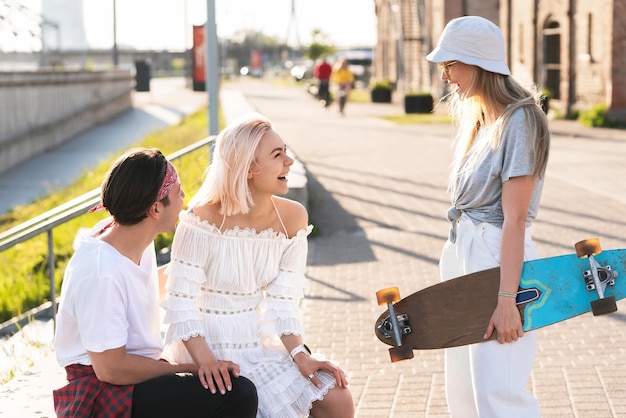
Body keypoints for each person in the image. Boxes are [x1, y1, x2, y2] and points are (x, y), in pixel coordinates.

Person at [161, 113, 354, 418]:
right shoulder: (202, 219)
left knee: (337, 396)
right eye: (278, 155)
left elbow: (284, 302)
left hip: (253, 343)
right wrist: (206, 362)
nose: (289, 162)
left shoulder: (293, 218)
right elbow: (180, 302)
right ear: (249, 167)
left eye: (285, 152)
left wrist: (299, 355)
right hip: (203, 348)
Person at [53, 147, 258, 418]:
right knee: (236, 394)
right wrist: (188, 368)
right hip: (100, 391)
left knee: (228, 379)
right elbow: (111, 369)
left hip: (130, 376)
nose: (185, 197)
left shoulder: (129, 236)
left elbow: (144, 286)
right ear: (155, 209)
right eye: (178, 192)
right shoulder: (101, 271)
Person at [426, 16, 550, 417]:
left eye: (450, 65)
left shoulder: (521, 121)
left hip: (497, 259)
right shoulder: (482, 120)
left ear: (476, 63)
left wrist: (506, 300)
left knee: (498, 395)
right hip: (464, 251)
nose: (445, 76)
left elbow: (514, 220)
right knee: (463, 392)